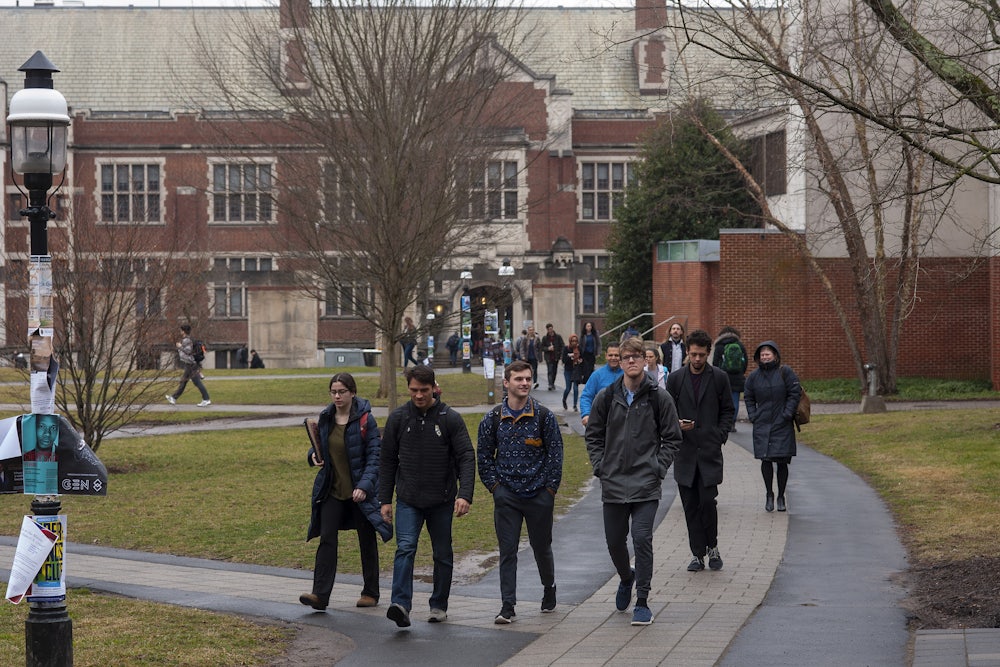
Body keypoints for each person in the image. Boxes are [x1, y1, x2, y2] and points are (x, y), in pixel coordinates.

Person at [585, 337, 682, 626]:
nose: (631, 361)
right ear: (619, 360)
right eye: (626, 356)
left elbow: (673, 438)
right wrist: (600, 465)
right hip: (613, 482)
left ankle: (642, 600)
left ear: (646, 360)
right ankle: (626, 578)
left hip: (645, 484)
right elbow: (593, 435)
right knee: (615, 542)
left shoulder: (658, 397)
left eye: (637, 356)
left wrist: (657, 466)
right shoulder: (606, 396)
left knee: (641, 538)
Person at [379, 365, 476, 627]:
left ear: (434, 387)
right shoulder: (398, 419)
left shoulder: (449, 418)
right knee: (405, 548)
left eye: (424, 390)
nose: (419, 395)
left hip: (442, 500)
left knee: (442, 553)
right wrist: (385, 500)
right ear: (408, 389)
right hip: (408, 498)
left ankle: (438, 605)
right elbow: (387, 460)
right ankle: (400, 604)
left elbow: (466, 456)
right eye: (413, 390)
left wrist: (464, 494)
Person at [477, 360, 563, 624]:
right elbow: (483, 456)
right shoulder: (492, 419)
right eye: (519, 379)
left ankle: (549, 588)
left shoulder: (544, 416)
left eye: (528, 379)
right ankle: (507, 606)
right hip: (507, 496)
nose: (524, 383)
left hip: (539, 494)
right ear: (506, 383)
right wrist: (495, 487)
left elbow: (555, 455)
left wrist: (549, 490)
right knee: (508, 550)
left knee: (541, 547)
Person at [300, 373, 392, 612]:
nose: (337, 396)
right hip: (333, 489)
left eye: (342, 391)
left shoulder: (365, 420)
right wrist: (312, 456)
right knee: (327, 538)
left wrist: (364, 486)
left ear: (352, 392)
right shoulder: (326, 417)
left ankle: (370, 592)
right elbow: (318, 447)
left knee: (366, 539)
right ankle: (320, 595)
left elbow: (375, 457)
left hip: (360, 491)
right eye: (333, 392)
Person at [665, 329, 734, 572]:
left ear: (708, 354)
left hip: (708, 450)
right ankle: (697, 554)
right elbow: (666, 411)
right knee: (690, 506)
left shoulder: (719, 378)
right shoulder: (675, 379)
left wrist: (719, 435)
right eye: (693, 354)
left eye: (702, 355)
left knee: (707, 502)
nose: (697, 359)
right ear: (687, 352)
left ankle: (712, 546)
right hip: (684, 453)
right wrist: (675, 428)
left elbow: (728, 409)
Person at [744, 341, 802, 513]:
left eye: (768, 353)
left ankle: (781, 495)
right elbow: (748, 396)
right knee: (766, 460)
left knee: (782, 461)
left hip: (782, 423)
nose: (765, 356)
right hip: (762, 423)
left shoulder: (785, 373)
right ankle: (769, 494)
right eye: (762, 354)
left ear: (775, 355)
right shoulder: (754, 377)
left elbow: (794, 392)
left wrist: (787, 413)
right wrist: (753, 415)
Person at [712, 326, 748, 431]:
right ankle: (732, 423)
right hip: (737, 377)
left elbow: (715, 362)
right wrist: (741, 373)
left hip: (722, 377)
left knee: (721, 400)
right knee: (734, 401)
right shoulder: (740, 345)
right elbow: (745, 362)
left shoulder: (719, 346)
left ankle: (722, 422)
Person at [166, 324, 211, 407]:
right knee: (183, 381)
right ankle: (174, 398)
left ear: (183, 331)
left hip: (191, 364)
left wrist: (180, 347)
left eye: (180, 330)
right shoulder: (188, 340)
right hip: (189, 364)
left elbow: (188, 351)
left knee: (197, 382)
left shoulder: (186, 340)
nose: (180, 332)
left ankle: (206, 399)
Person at [579, 342, 622, 427]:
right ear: (606, 356)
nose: (613, 358)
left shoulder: (627, 374)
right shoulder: (597, 375)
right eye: (610, 355)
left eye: (616, 355)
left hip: (622, 421)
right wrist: (586, 414)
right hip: (602, 421)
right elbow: (586, 396)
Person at [561, 334, 582, 411]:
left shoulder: (579, 348)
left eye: (575, 341)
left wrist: (580, 360)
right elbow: (563, 360)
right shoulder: (566, 348)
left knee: (576, 388)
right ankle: (564, 399)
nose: (574, 342)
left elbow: (582, 357)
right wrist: (570, 357)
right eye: (572, 341)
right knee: (568, 388)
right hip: (568, 370)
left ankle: (575, 405)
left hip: (576, 370)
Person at [541, 323, 565, 392]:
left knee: (554, 371)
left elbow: (562, 345)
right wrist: (548, 348)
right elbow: (542, 347)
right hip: (548, 357)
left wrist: (561, 354)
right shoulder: (545, 338)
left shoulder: (558, 337)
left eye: (551, 329)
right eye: (549, 329)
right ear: (547, 330)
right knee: (550, 370)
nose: (550, 330)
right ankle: (550, 384)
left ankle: (553, 383)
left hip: (555, 356)